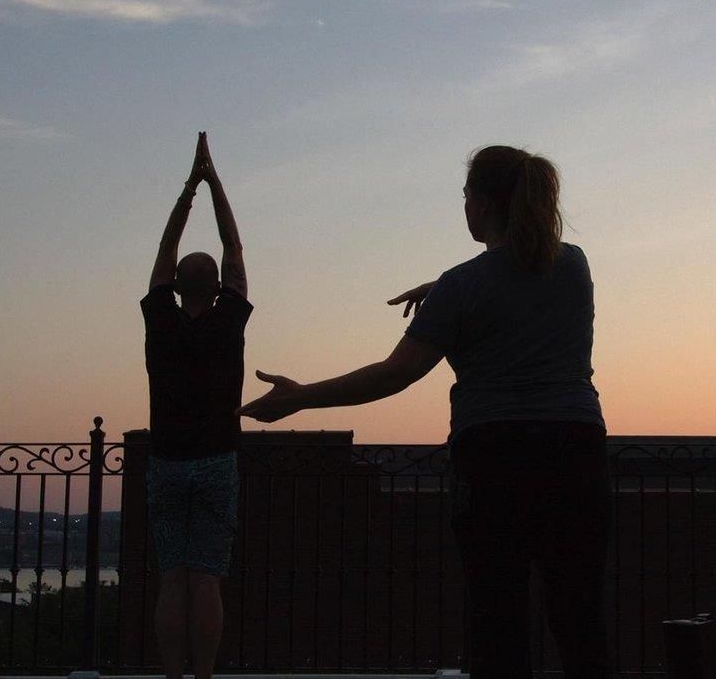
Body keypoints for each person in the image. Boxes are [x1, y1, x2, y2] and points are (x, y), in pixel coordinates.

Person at [238, 145, 612, 679]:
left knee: (497, 620)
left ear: (482, 204)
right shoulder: (573, 264)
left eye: (465, 196)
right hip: (577, 451)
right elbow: (516, 280)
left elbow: (396, 373)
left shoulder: (462, 285)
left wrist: (300, 396)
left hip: (496, 458)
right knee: (580, 617)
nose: (462, 205)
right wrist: (441, 291)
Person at [141, 132, 252, 679]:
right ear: (216, 287)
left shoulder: (159, 319)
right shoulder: (230, 320)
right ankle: (203, 677)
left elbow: (165, 251)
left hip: (165, 460)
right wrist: (214, 184)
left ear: (179, 285)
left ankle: (172, 676)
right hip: (216, 461)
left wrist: (188, 189)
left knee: (173, 577)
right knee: (207, 577)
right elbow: (235, 251)